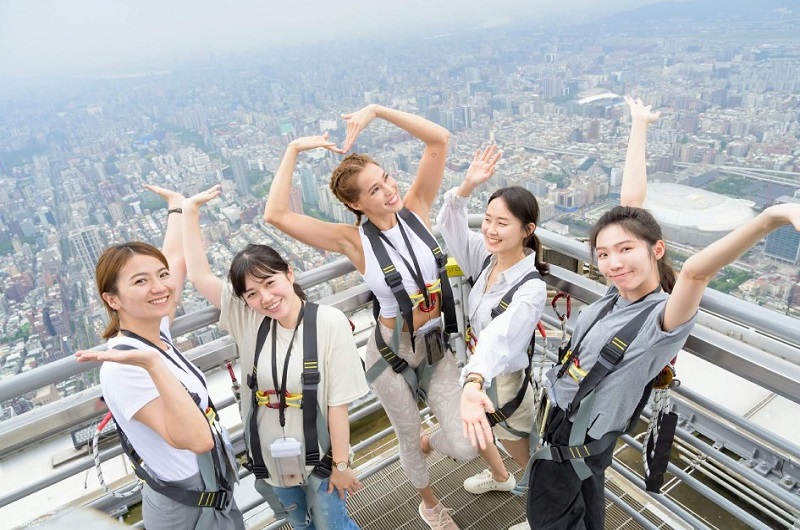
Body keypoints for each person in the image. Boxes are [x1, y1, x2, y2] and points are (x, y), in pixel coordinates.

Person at [463, 97, 800, 530]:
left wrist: (770, 218)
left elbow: (695, 273)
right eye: (603, 253)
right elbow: (630, 207)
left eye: (626, 251)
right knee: (586, 494)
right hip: (568, 426)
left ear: (656, 251)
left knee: (552, 510)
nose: (613, 262)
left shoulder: (660, 319)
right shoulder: (617, 296)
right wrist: (639, 126)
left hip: (575, 440)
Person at [264, 104, 477, 530]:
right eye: (375, 190)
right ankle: (430, 504)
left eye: (386, 180)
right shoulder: (353, 241)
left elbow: (439, 140)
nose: (389, 192)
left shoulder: (416, 210)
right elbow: (276, 215)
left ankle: (427, 442)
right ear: (354, 203)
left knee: (465, 443)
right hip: (389, 354)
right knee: (405, 435)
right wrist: (293, 149)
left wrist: (378, 111)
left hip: (435, 346)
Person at [181, 185, 368, 530]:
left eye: (270, 283)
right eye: (252, 293)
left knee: (333, 527)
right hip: (271, 459)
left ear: (290, 274)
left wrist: (341, 465)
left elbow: (337, 404)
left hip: (321, 460)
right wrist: (188, 211)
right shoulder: (250, 320)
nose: (265, 297)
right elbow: (198, 275)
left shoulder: (328, 324)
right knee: (301, 526)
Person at [75, 185, 244, 530]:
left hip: (212, 490)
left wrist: (177, 209)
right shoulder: (127, 368)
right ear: (113, 299)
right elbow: (197, 440)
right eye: (140, 281)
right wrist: (152, 364)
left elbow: (174, 259)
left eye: (161, 277)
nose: (160, 287)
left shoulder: (154, 332)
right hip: (188, 507)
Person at [436, 145, 549, 496]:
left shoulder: (530, 289)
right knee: (484, 432)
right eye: (487, 219)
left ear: (526, 230)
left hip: (504, 382)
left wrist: (473, 380)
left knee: (524, 455)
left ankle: (543, 508)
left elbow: (499, 336)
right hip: (479, 373)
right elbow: (449, 224)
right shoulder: (487, 258)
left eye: (502, 223)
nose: (491, 229)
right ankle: (501, 479)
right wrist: (466, 186)